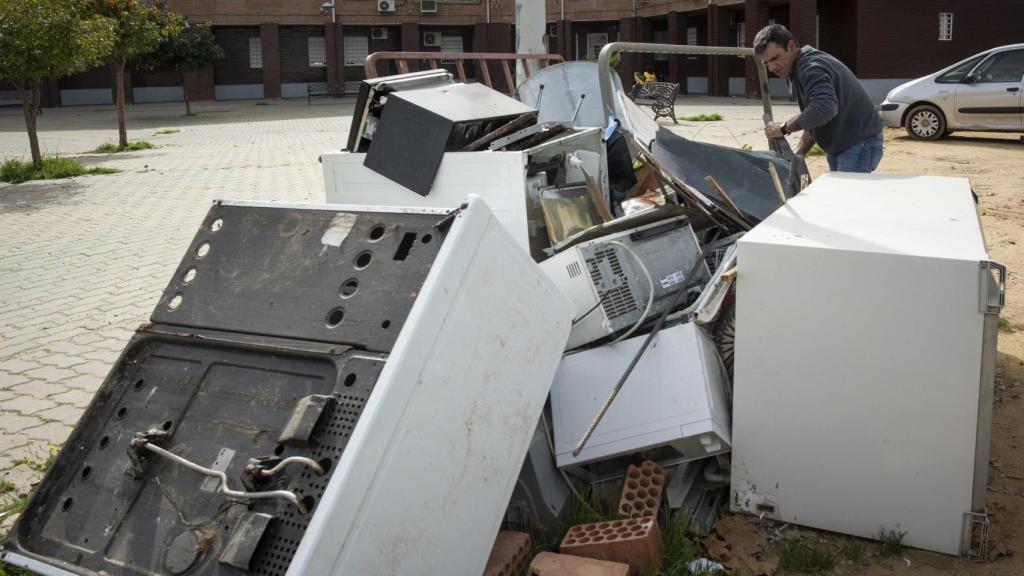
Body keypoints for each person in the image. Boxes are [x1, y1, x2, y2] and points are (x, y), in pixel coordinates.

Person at [754, 24, 883, 173]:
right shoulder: (795, 68)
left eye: (774, 58)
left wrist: (783, 128)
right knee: (838, 191)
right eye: (766, 63)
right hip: (844, 144)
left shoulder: (811, 67)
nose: (771, 68)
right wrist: (798, 154)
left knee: (846, 194)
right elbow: (814, 119)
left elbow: (824, 108)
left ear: (791, 46)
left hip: (858, 143)